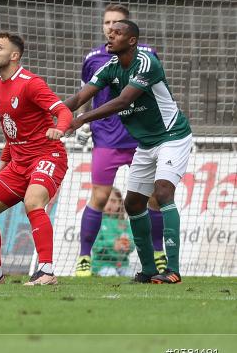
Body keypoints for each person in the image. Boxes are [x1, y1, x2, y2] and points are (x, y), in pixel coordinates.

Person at [65, 20, 191, 284]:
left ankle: (173, 269)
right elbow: (79, 97)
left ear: (131, 40)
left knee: (163, 190)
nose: (110, 35)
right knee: (133, 203)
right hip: (146, 143)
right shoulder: (110, 67)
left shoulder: (146, 63)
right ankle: (147, 270)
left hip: (172, 136)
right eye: (109, 32)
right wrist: (55, 114)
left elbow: (123, 101)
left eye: (117, 32)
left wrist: (82, 119)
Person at [0, 33, 73, 287]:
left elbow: (63, 111)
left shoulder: (31, 83)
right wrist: (5, 160)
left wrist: (59, 128)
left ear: (14, 56)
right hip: (18, 162)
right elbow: (11, 128)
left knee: (33, 202)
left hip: (48, 156)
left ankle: (46, 271)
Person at [74, 4, 166, 277]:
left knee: (152, 197)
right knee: (99, 196)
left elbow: (156, 92)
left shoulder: (147, 55)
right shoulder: (93, 58)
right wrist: (83, 122)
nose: (110, 28)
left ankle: (158, 252)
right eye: (107, 23)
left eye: (117, 23)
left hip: (141, 138)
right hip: (107, 138)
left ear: (128, 30)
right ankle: (84, 258)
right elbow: (85, 93)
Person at [91, 187, 135, 277]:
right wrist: (113, 244)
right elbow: (94, 245)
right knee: (111, 275)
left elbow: (133, 244)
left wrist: (127, 245)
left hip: (123, 265)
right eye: (107, 200)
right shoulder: (97, 221)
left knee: (132, 276)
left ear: (120, 203)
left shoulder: (125, 223)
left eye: (114, 201)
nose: (110, 204)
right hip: (102, 265)